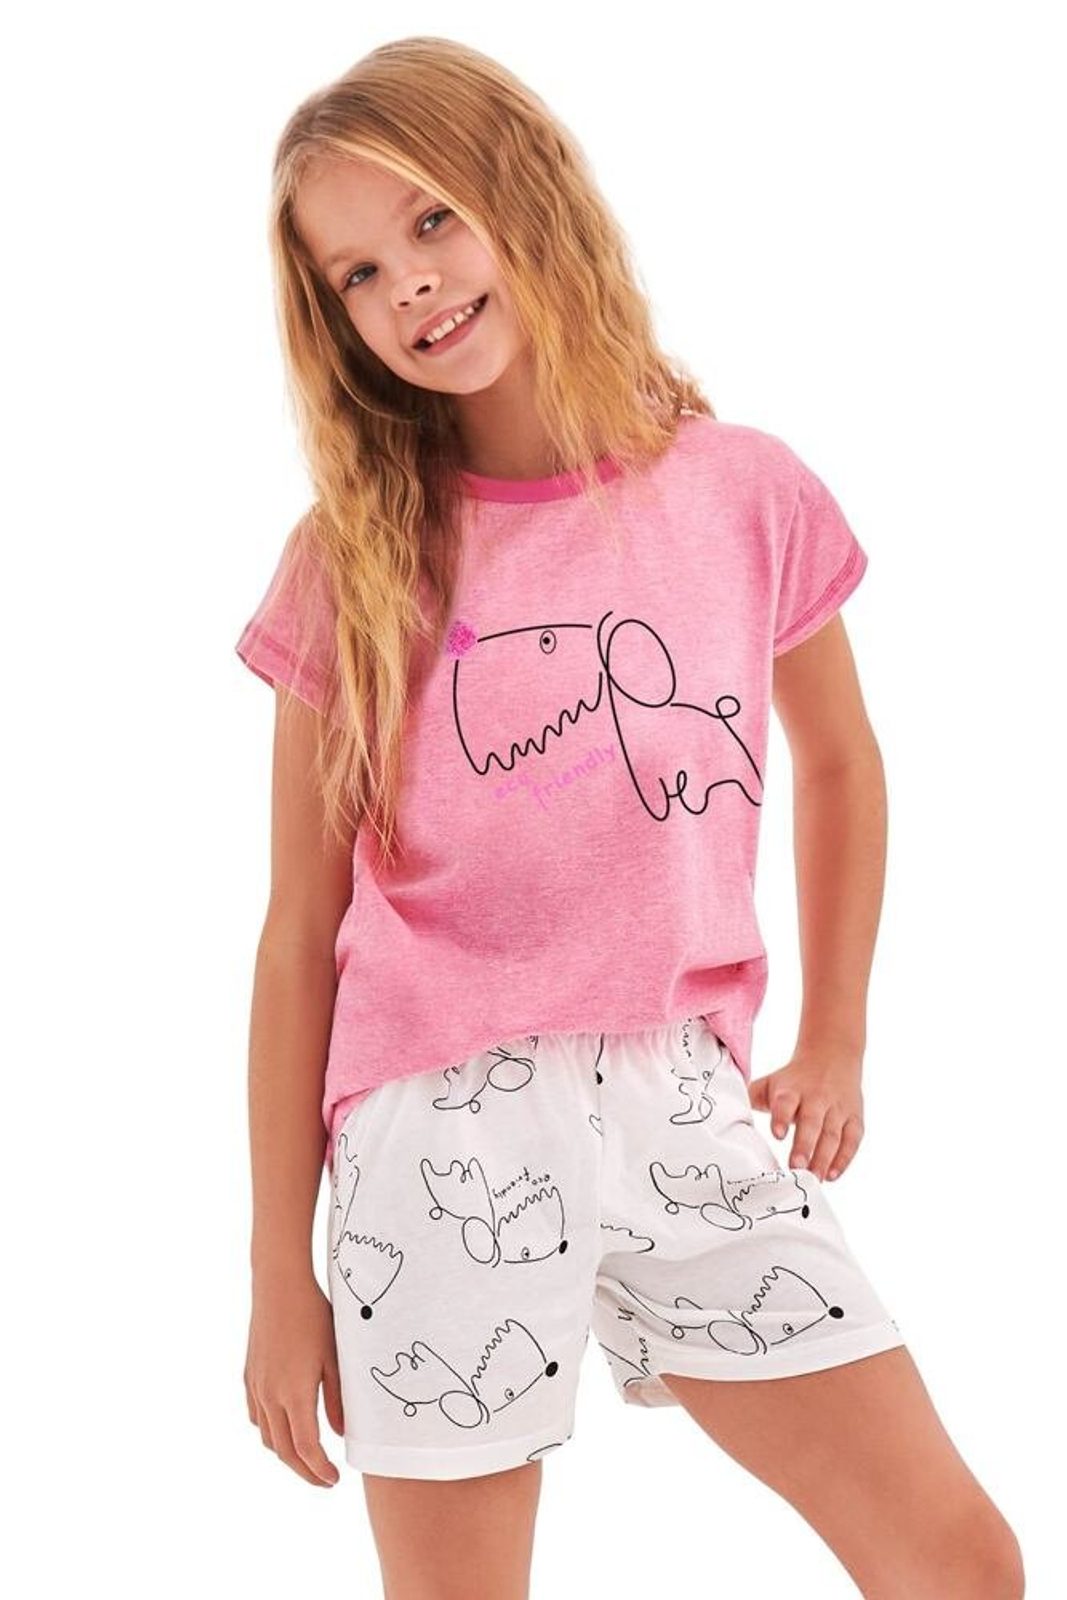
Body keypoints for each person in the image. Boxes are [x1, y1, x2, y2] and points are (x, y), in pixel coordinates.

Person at [235, 35, 1024, 1600]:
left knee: (958, 1561)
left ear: (525, 191)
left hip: (684, 1097)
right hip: (437, 1124)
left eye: (432, 219)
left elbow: (842, 762)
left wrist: (839, 1032)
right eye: (358, 273)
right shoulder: (353, 561)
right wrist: (278, 1267)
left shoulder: (744, 492)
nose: (409, 283)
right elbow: (296, 932)